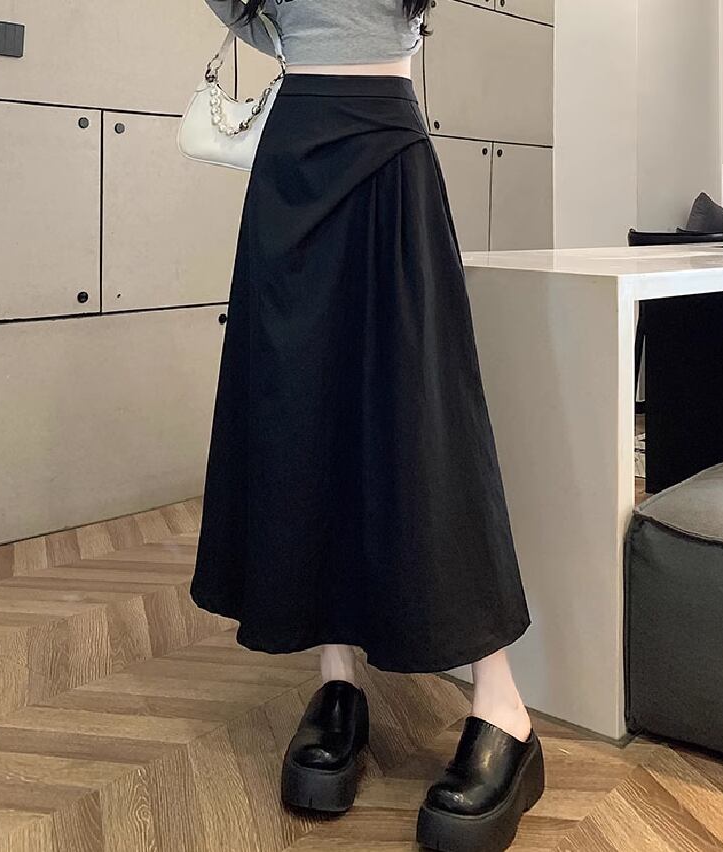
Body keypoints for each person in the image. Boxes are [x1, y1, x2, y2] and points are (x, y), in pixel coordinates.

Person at [189, 1, 544, 849]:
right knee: (296, 410)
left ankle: (504, 707)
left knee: (424, 425)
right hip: (292, 155)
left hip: (388, 151)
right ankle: (337, 676)